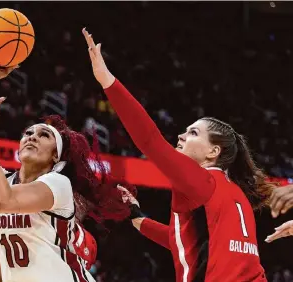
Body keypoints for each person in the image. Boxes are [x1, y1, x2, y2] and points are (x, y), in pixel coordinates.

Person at [83, 28, 275, 282]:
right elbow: (183, 242)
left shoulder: (203, 182)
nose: (181, 137)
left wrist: (106, 80)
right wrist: (139, 219)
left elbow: (150, 140)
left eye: (193, 133)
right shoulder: (235, 195)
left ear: (213, 152)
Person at [0, 40, 132, 282]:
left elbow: (0, 201)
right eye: (28, 133)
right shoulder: (4, 182)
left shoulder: (58, 185)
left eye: (44, 135)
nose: (32, 137)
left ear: (55, 156)